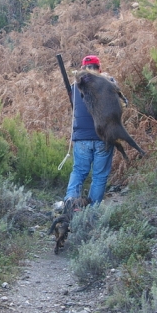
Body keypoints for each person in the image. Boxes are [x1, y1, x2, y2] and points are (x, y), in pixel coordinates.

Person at [64, 55, 115, 204]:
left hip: (81, 138)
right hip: (103, 137)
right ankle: (92, 213)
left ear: (82, 70)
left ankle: (70, 202)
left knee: (79, 171)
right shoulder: (109, 84)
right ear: (99, 69)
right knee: (99, 176)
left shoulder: (74, 88)